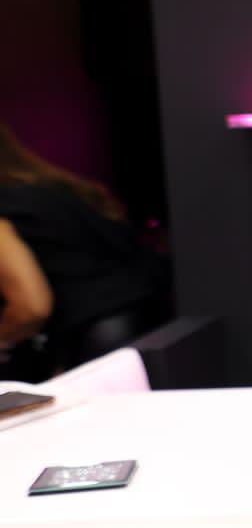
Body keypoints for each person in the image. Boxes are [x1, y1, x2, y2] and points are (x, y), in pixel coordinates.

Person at [0, 123, 165, 379]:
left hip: (99, 342)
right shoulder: (61, 188)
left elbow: (31, 307)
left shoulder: (6, 207)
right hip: (153, 321)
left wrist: (3, 336)